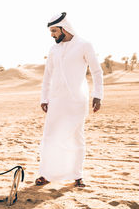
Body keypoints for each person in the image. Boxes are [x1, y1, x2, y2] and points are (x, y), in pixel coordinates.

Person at [35, 12, 103, 187]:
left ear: (64, 28)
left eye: (54, 31)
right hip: (56, 100)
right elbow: (48, 75)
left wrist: (98, 95)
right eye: (51, 31)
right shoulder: (53, 49)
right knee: (50, 136)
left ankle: (77, 175)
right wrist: (44, 97)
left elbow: (96, 71)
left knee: (75, 137)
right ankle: (45, 174)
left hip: (77, 101)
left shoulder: (84, 45)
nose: (52, 35)